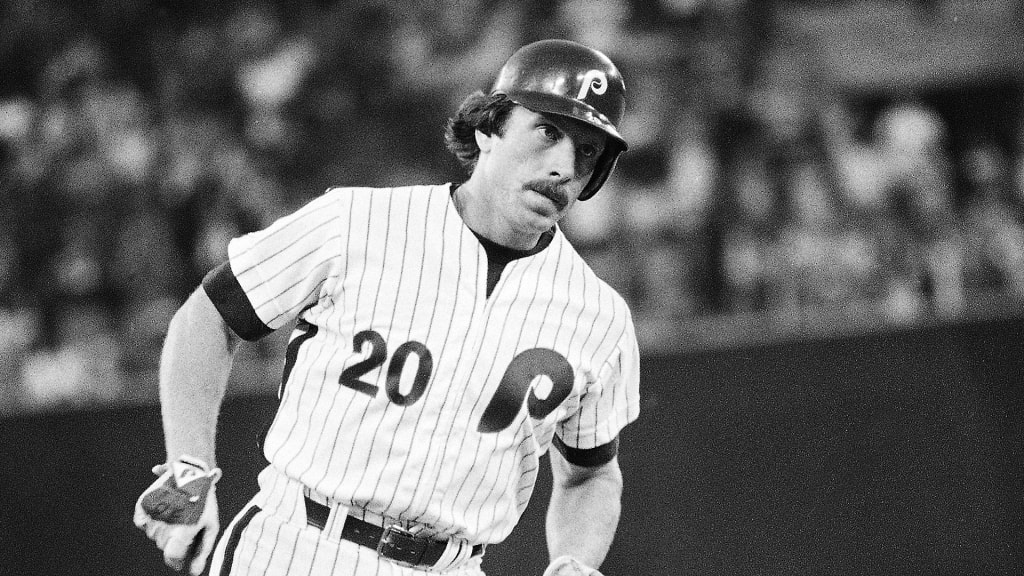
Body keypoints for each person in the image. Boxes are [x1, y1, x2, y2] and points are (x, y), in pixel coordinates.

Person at [134, 39, 641, 576]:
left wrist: (575, 560)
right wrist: (189, 467)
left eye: (587, 151)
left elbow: (591, 475)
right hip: (297, 545)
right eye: (548, 132)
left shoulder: (598, 317)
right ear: (487, 129)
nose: (564, 165)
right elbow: (209, 317)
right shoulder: (356, 222)